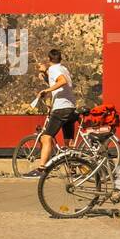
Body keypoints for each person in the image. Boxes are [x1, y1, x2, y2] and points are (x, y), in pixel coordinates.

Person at [26, 49, 79, 178]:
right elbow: (59, 82)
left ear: (49, 59)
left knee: (46, 138)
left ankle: (41, 169)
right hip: (70, 108)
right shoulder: (63, 68)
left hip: (61, 109)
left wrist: (46, 90)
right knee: (68, 141)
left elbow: (62, 81)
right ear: (60, 58)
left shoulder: (55, 70)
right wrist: (45, 73)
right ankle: (72, 169)